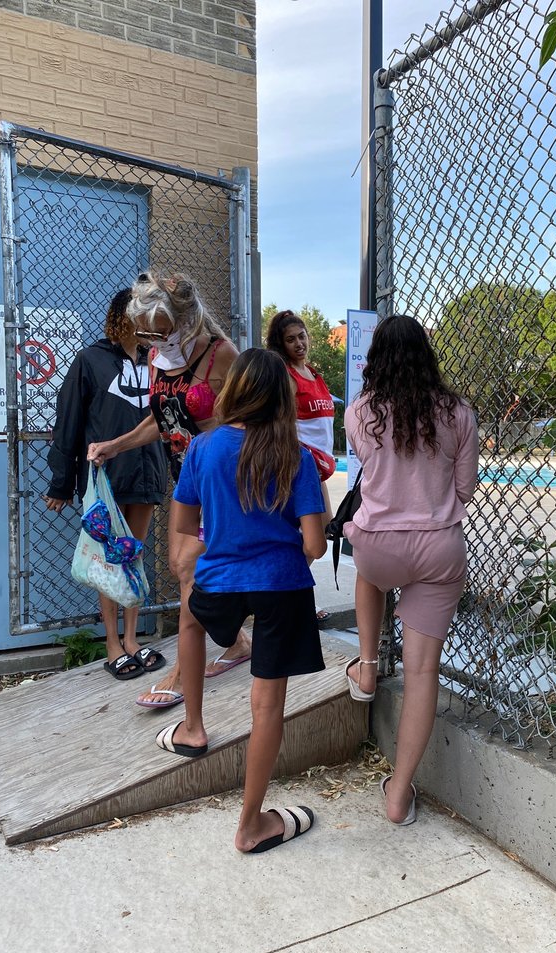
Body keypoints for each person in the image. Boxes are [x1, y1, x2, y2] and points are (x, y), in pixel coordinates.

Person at [156, 348, 326, 854]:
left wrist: (229, 536)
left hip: (219, 581)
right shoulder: (295, 457)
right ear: (282, 400)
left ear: (233, 392)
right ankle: (251, 824)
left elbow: (187, 525)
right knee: (267, 705)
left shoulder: (203, 449)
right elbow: (315, 545)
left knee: (191, 622)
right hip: (281, 585)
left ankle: (192, 727)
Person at [87, 271, 251, 707]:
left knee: (186, 568)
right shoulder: (158, 359)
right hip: (186, 478)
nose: (151, 341)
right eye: (146, 334)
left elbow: (252, 421)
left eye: (160, 332)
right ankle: (236, 643)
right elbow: (163, 422)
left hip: (222, 482)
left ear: (186, 319)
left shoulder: (222, 356)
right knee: (188, 568)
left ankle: (182, 673)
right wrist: (114, 445)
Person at [343, 315, 479, 826]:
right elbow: (463, 490)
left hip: (379, 547)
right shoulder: (459, 413)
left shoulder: (359, 413)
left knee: (366, 574)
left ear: (375, 360)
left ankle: (367, 667)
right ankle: (399, 796)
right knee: (424, 672)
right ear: (427, 354)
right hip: (438, 548)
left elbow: (370, 474)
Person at [44, 288, 168, 680]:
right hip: (106, 480)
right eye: (140, 315)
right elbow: (68, 423)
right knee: (109, 558)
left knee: (133, 554)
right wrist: (62, 483)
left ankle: (133, 639)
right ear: (124, 317)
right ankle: (112, 644)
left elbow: (168, 419)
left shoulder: (158, 364)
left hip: (147, 472)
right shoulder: (90, 361)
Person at [265, 309, 336, 625]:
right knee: (312, 537)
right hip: (298, 468)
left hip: (316, 468)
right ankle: (284, 598)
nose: (299, 343)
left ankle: (289, 599)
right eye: (290, 339)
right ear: (281, 344)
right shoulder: (286, 377)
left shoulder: (314, 374)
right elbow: (277, 424)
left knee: (315, 536)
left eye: (302, 336)